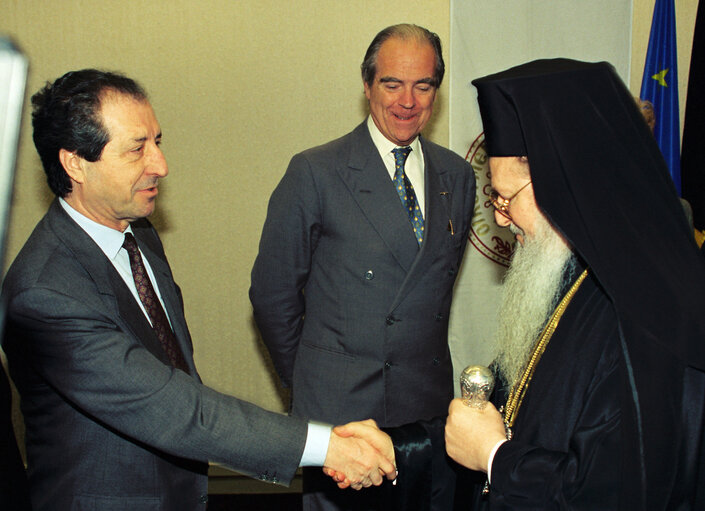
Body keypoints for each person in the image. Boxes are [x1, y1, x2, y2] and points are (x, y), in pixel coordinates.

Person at [1, 69, 397, 511]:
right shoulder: (43, 294)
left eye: (158, 141)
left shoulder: (139, 234)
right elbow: (173, 408)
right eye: (137, 149)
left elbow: (177, 373)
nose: (161, 165)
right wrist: (327, 446)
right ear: (75, 162)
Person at [439, 59, 705, 509]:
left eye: (507, 199)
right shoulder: (562, 272)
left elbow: (618, 491)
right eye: (494, 198)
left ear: (567, 186)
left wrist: (495, 457)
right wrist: (397, 446)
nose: (500, 219)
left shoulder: (645, 306)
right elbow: (506, 405)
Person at [249, 23, 475, 511]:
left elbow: (435, 290)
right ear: (367, 85)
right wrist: (315, 378)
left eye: (423, 86)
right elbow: (272, 296)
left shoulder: (456, 175)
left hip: (426, 411)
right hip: (343, 415)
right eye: (392, 84)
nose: (407, 101)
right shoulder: (316, 172)